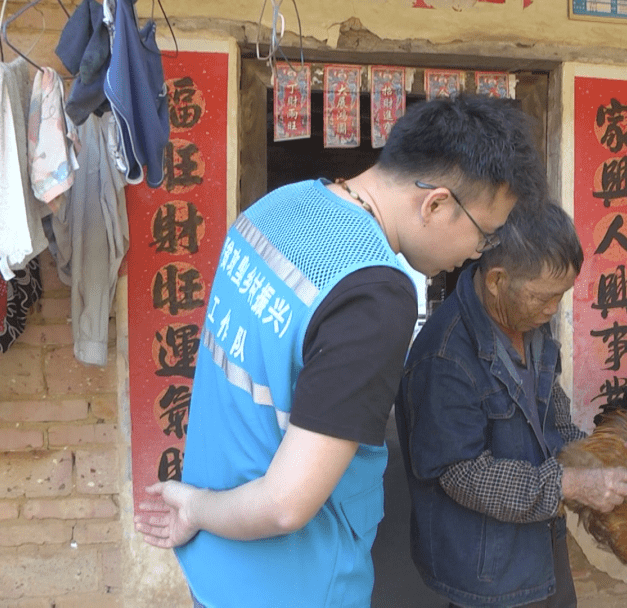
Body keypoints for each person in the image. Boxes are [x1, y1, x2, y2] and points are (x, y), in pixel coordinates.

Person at [132, 94, 546, 608]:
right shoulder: (374, 293)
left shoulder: (278, 206)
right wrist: (192, 509)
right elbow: (286, 505)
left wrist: (199, 512)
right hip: (294, 584)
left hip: (217, 569)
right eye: (484, 236)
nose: (475, 255)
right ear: (436, 203)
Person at [396, 201, 627, 608]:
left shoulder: (528, 321)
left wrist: (603, 455)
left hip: (541, 543)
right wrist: (569, 484)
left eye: (561, 296)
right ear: (497, 281)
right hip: (487, 565)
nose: (553, 309)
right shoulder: (445, 357)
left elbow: (551, 415)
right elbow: (462, 474)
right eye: (545, 296)